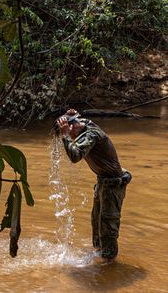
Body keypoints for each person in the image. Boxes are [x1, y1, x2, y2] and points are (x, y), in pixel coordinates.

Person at [56, 109, 132, 260]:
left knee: (108, 228)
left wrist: (65, 135)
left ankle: (109, 266)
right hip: (102, 182)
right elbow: (77, 122)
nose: (69, 137)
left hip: (112, 185)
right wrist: (69, 115)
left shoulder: (92, 135)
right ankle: (99, 258)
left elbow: (75, 156)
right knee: (96, 223)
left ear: (72, 127)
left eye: (67, 131)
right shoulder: (83, 126)